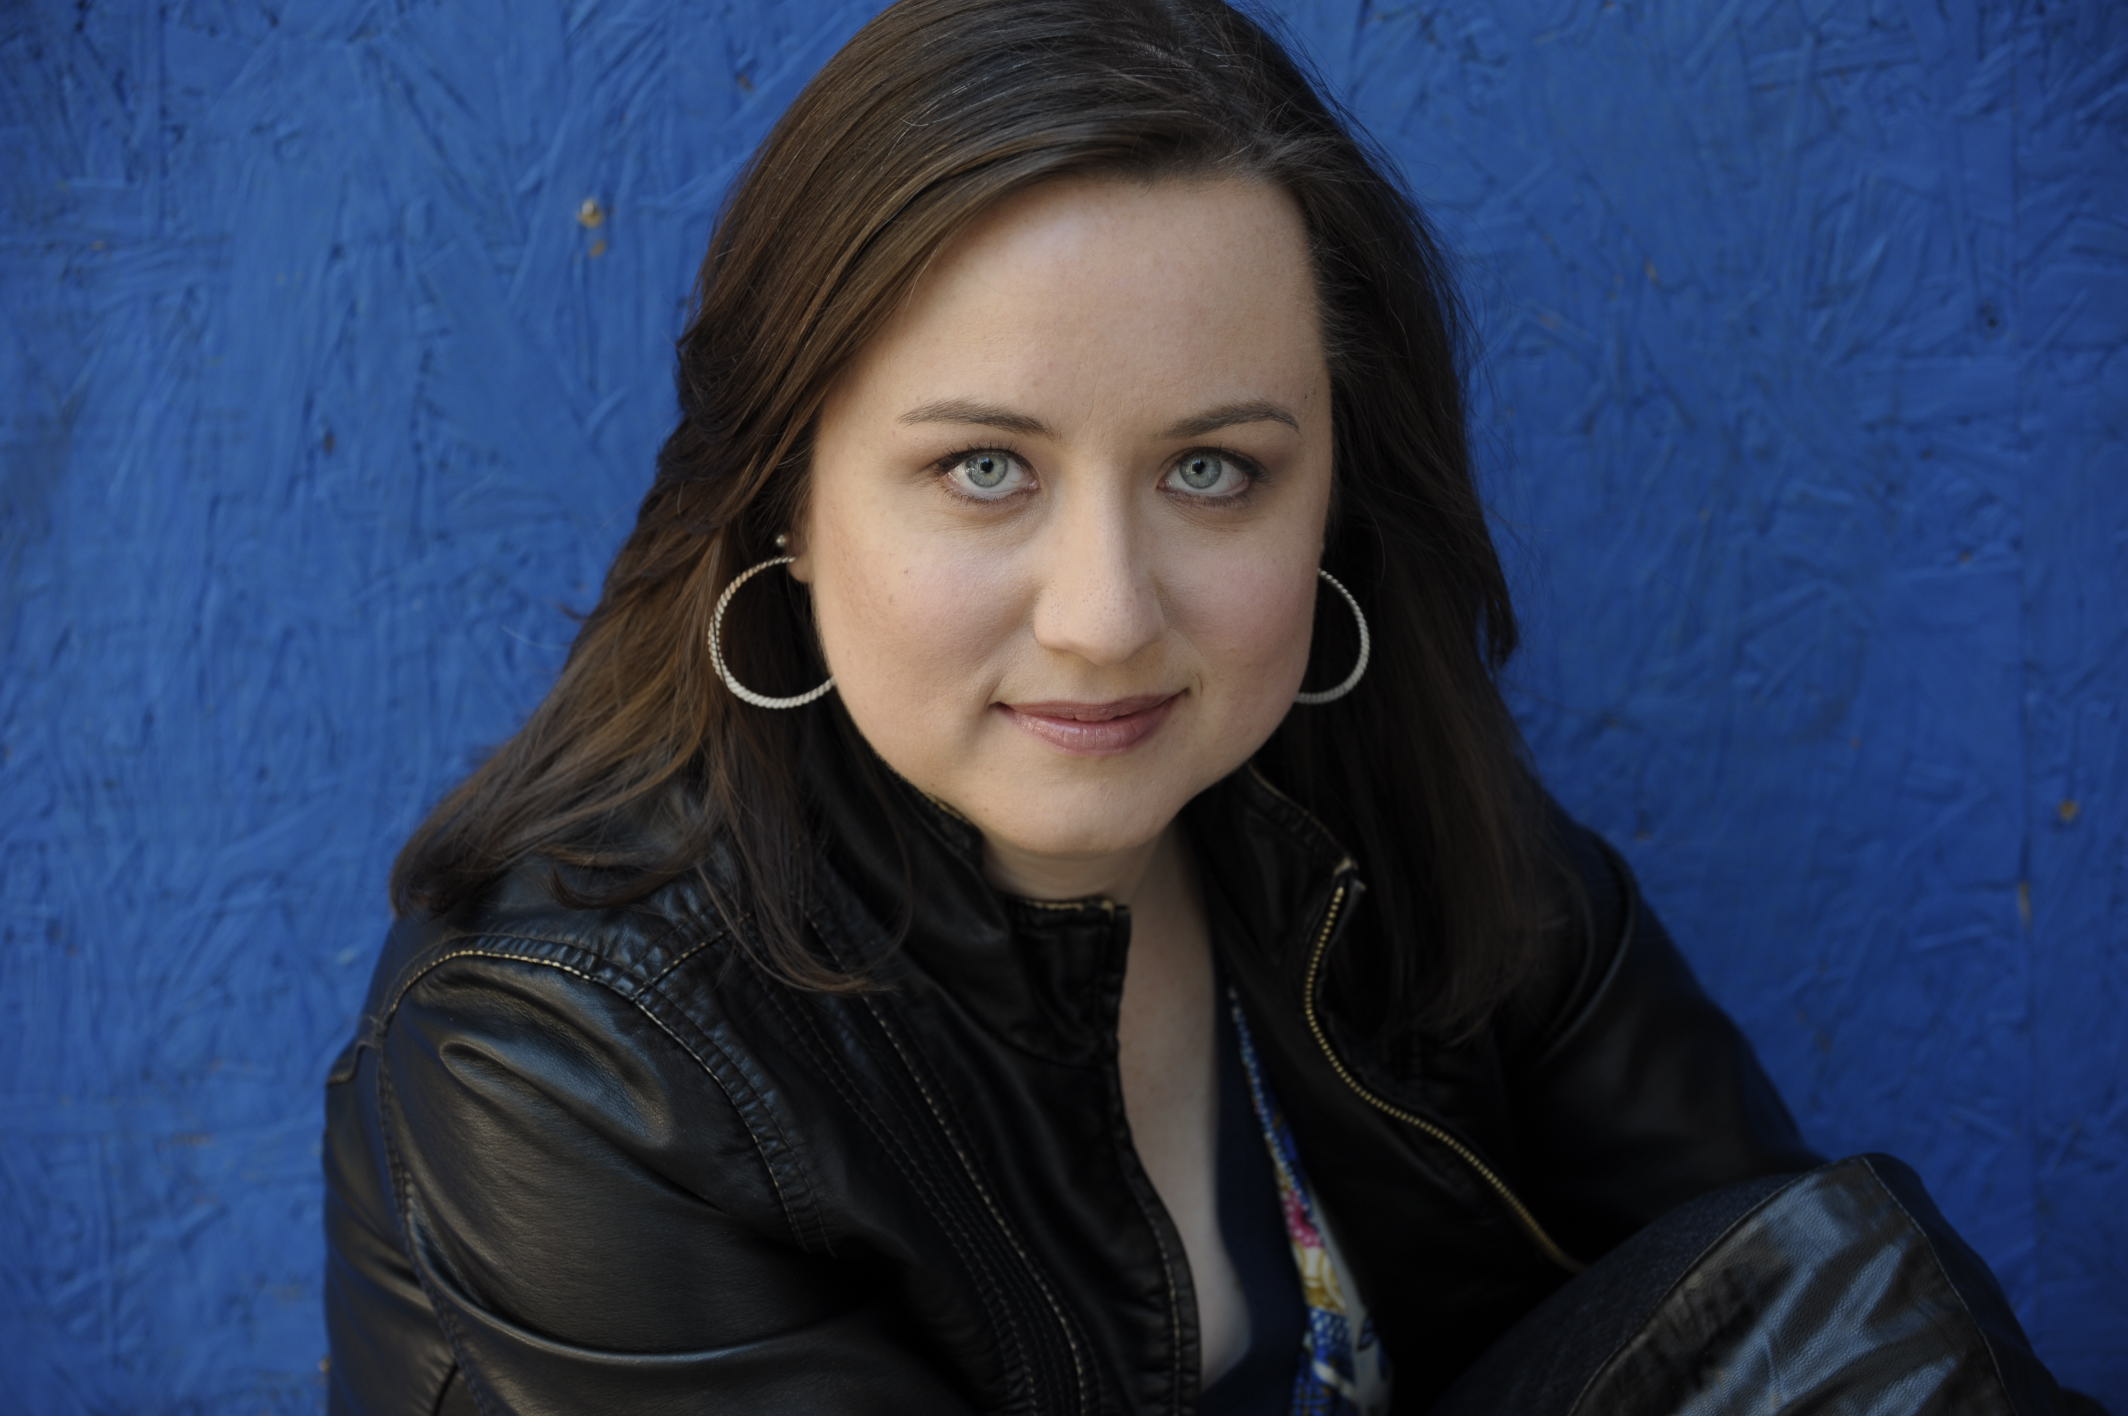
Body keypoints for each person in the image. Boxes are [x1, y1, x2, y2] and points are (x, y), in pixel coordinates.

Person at [322, 1, 2096, 1412]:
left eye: (1215, 474)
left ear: (1335, 489)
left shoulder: (1375, 811)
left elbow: (1773, 1308)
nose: (1105, 618)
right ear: (784, 493)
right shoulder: (565, 1059)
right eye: (986, 468)